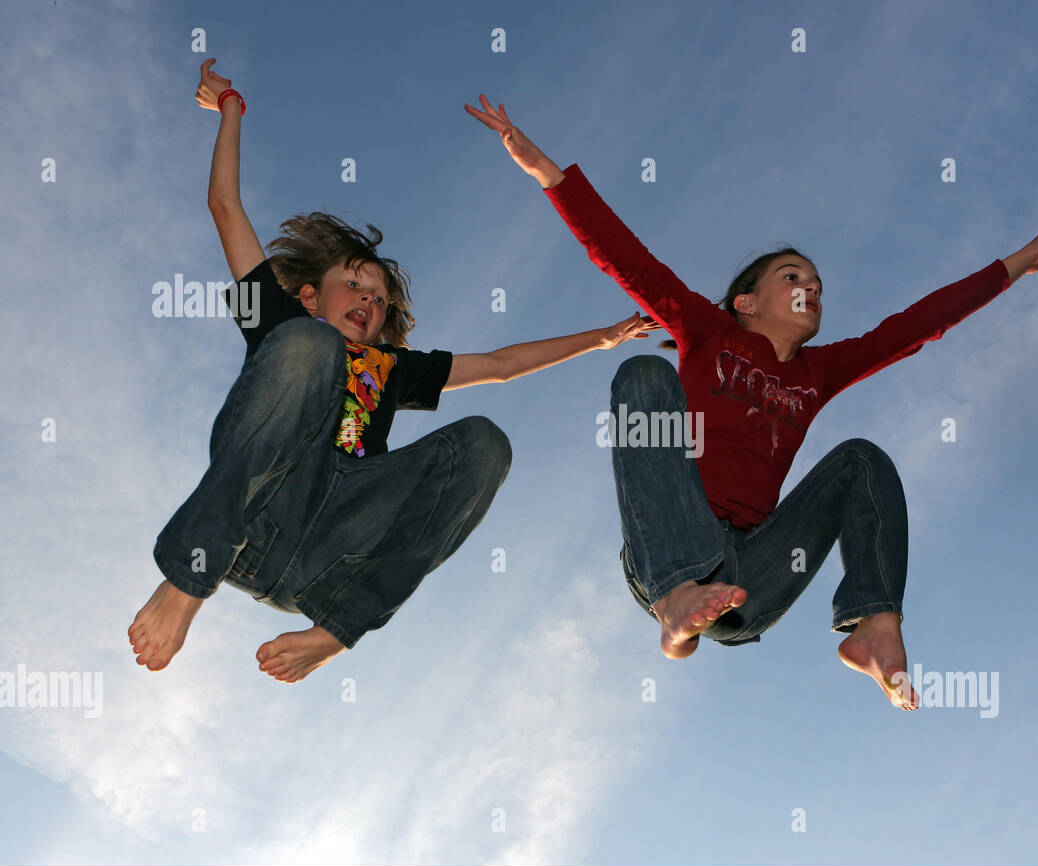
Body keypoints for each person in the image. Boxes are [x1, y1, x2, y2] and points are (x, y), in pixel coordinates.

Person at [464, 94, 1038, 709]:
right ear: (746, 301)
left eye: (817, 283)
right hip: (673, 542)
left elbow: (916, 326)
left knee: (861, 461)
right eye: (792, 277)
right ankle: (674, 598)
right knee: (642, 377)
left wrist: (1015, 265)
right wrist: (547, 171)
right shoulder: (708, 331)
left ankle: (873, 626)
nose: (811, 287)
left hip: (752, 576)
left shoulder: (820, 371)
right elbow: (623, 256)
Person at [126, 61, 655, 685]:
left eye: (377, 299)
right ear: (307, 295)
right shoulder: (276, 317)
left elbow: (502, 366)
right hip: (255, 522)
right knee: (308, 351)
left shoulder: (394, 369)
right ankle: (190, 575)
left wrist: (603, 338)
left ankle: (338, 628)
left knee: (484, 442)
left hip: (332, 549)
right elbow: (225, 207)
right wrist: (233, 107)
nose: (367, 301)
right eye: (352, 284)